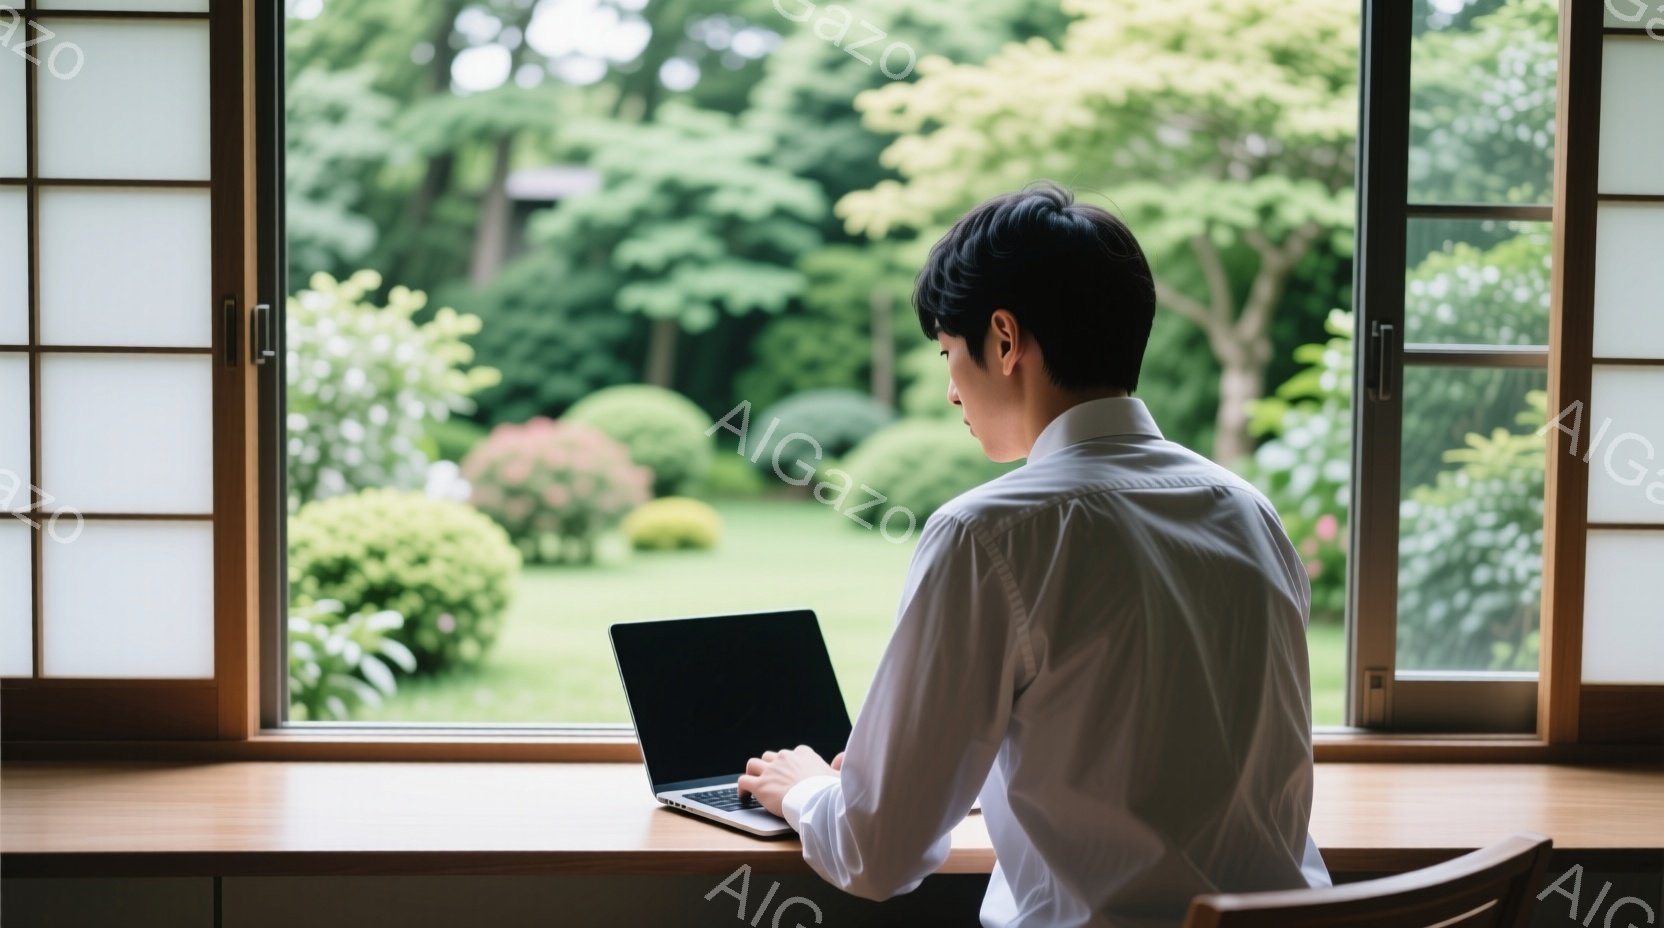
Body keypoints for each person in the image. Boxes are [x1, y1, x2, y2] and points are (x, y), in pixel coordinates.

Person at [736, 181, 1331, 928]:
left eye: (950, 351)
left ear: (1006, 341)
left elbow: (875, 854)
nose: (952, 390)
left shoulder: (988, 533)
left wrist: (801, 788)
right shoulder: (1248, 511)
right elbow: (1173, 756)